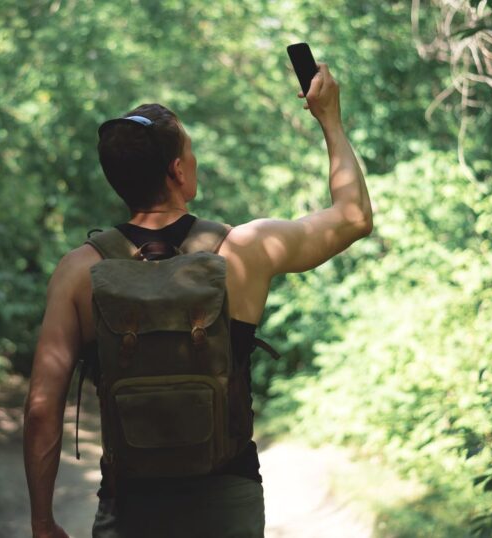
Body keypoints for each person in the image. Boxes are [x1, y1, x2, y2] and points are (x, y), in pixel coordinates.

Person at [23, 63, 372, 538]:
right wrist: (329, 118)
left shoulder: (78, 271)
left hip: (130, 506)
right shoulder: (244, 249)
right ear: (179, 170)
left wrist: (42, 521)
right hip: (225, 502)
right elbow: (352, 217)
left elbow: (42, 408)